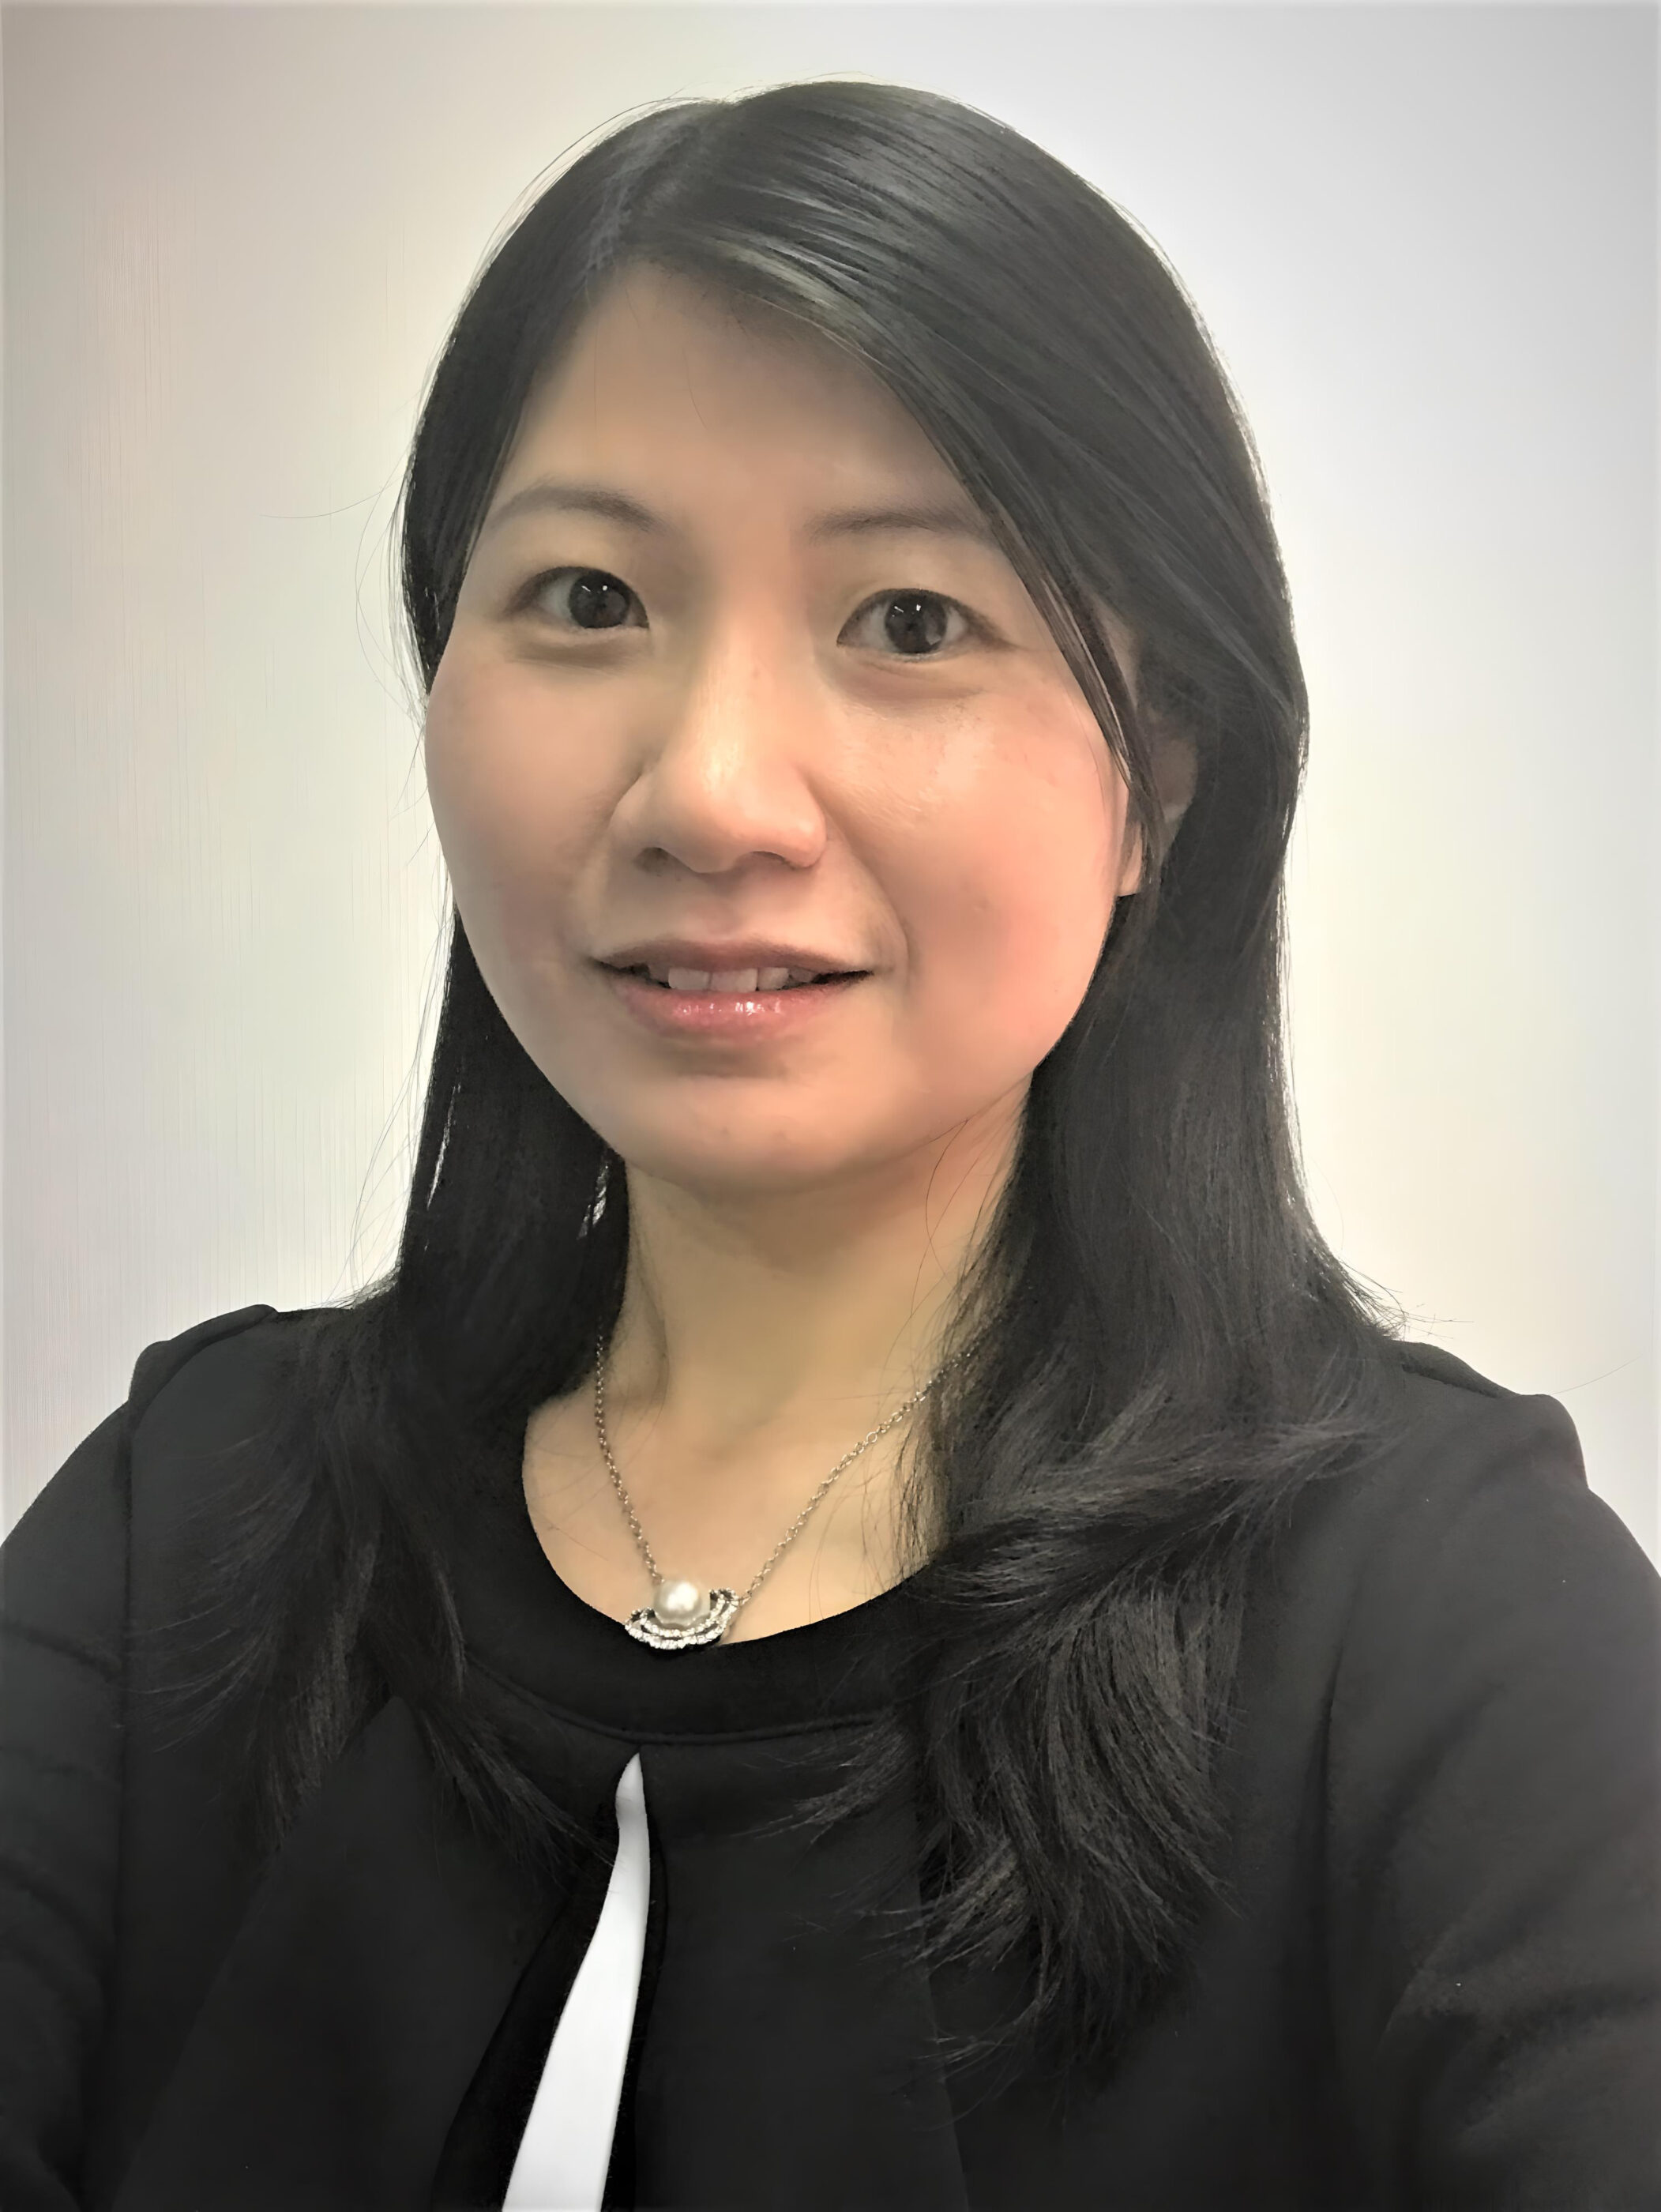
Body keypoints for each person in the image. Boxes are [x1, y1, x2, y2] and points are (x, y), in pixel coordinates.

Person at [2, 76, 1656, 2212]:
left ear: (1157, 782)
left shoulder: (1444, 1627)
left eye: (910, 622)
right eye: (589, 598)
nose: (709, 792)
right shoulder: (191, 1519)